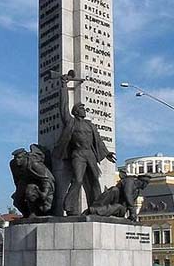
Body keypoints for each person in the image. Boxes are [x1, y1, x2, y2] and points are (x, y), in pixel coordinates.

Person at [53, 74, 116, 216]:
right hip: (78, 154)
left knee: (95, 180)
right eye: (81, 108)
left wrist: (106, 153)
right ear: (76, 112)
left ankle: (97, 208)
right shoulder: (71, 122)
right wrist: (63, 86)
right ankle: (70, 208)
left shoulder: (90, 125)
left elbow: (98, 140)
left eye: (83, 108)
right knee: (78, 180)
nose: (84, 109)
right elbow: (63, 107)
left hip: (90, 155)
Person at [10, 144, 55, 218]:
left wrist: (45, 192)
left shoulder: (33, 163)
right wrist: (19, 191)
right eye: (15, 158)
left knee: (30, 191)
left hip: (39, 184)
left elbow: (47, 179)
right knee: (17, 201)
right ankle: (26, 214)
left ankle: (34, 213)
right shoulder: (13, 164)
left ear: (25, 156)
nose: (17, 160)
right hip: (24, 182)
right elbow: (16, 180)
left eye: (19, 158)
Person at [86, 171, 151, 220]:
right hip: (111, 200)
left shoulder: (137, 192)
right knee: (114, 190)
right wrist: (133, 211)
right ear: (143, 183)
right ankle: (95, 208)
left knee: (118, 207)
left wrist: (132, 215)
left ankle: (93, 211)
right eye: (146, 184)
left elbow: (130, 202)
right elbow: (128, 194)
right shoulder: (130, 181)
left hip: (120, 208)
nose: (146, 186)